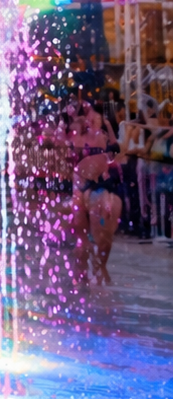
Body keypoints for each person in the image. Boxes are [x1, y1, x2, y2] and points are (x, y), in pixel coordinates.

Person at [71, 101, 123, 285]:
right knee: (83, 236)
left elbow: (116, 150)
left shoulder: (103, 137)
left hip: (100, 185)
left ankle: (100, 265)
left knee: (104, 233)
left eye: (97, 118)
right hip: (82, 186)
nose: (93, 120)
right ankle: (83, 271)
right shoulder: (80, 135)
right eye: (91, 117)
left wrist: (108, 125)